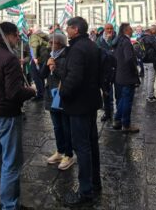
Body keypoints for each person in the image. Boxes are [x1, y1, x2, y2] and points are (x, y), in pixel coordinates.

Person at [0, 22, 36, 210]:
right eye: (15, 35)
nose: (17, 38)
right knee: (10, 162)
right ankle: (9, 205)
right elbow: (14, 93)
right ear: (7, 36)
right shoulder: (9, 59)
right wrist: (31, 91)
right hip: (7, 116)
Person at [59, 17, 103, 206]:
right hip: (91, 102)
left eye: (68, 27)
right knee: (91, 143)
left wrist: (62, 93)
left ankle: (85, 191)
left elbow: (74, 77)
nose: (66, 30)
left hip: (78, 105)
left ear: (75, 29)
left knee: (81, 147)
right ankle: (95, 182)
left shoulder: (77, 49)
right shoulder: (91, 45)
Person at [41, 33, 75, 170]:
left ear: (60, 43)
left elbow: (67, 76)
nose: (50, 45)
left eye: (52, 42)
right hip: (50, 95)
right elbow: (41, 75)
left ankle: (69, 154)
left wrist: (55, 69)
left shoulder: (67, 56)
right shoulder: (51, 55)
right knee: (56, 127)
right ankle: (60, 151)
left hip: (62, 96)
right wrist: (46, 65)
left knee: (66, 126)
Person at [112, 23, 140, 133]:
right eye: (130, 28)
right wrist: (135, 71)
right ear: (126, 30)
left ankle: (117, 120)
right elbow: (129, 59)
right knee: (127, 100)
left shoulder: (117, 41)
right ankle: (126, 124)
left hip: (119, 74)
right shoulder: (126, 42)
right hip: (127, 76)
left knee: (123, 99)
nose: (132, 30)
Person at [96, 23, 117, 122]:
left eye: (111, 28)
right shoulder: (99, 40)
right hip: (105, 69)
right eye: (107, 28)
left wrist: (109, 42)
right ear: (104, 29)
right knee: (106, 92)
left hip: (116, 68)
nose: (109, 30)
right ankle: (108, 111)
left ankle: (116, 111)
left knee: (117, 90)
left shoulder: (116, 38)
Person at [140, 26, 156, 102]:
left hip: (144, 61)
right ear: (149, 32)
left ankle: (148, 95)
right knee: (151, 79)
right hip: (151, 60)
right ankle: (150, 96)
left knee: (147, 79)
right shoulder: (150, 38)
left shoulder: (140, 38)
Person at [29, 25, 51, 100]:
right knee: (41, 76)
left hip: (37, 58)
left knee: (36, 76)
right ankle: (42, 93)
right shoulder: (45, 36)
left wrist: (35, 57)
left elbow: (34, 46)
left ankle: (40, 94)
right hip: (44, 58)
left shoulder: (34, 36)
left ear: (34, 30)